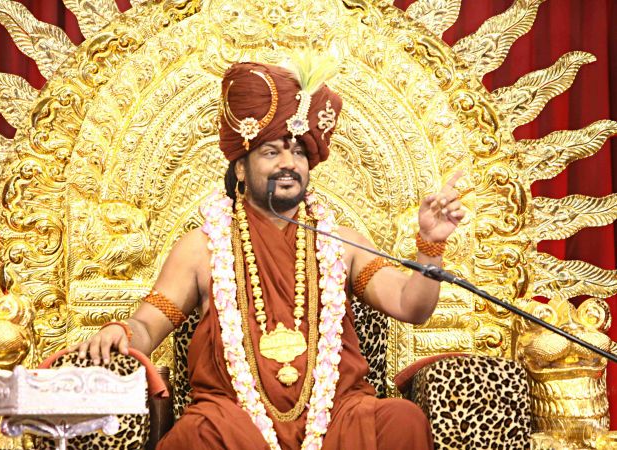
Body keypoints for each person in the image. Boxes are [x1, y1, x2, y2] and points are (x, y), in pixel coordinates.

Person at [72, 58, 465, 450]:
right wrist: (121, 332)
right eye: (271, 152)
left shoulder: (341, 243)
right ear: (241, 169)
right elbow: (148, 325)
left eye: (298, 152)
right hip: (233, 421)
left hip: (337, 418)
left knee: (400, 420)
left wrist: (430, 246)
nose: (288, 163)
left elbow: (410, 305)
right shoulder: (201, 247)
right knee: (196, 436)